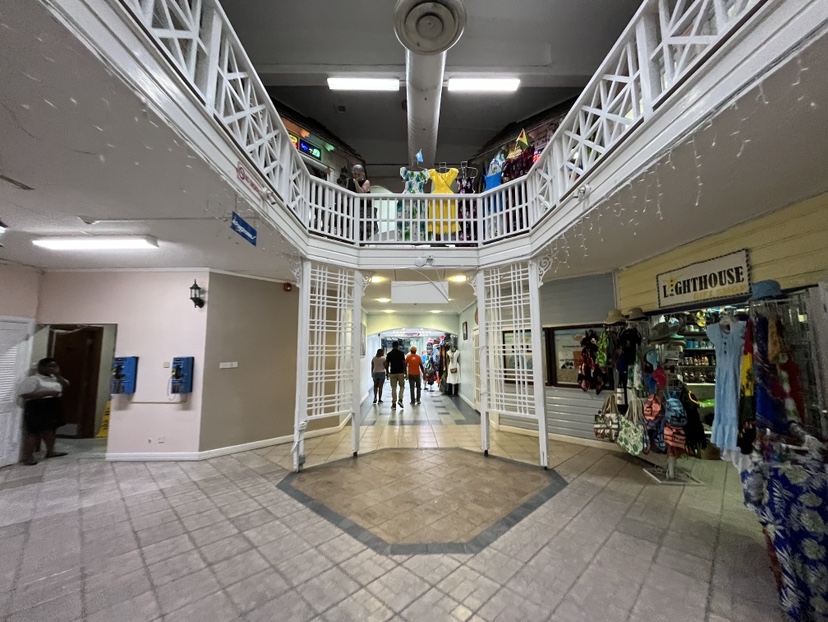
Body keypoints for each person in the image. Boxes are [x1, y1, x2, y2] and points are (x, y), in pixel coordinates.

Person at [17, 358, 69, 465]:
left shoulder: (54, 378)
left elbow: (66, 385)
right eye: (50, 366)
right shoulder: (33, 379)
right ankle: (27, 457)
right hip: (38, 406)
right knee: (34, 431)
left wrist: (58, 375)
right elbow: (24, 395)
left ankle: (51, 452)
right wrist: (45, 393)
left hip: (53, 404)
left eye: (55, 366)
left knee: (51, 429)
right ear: (41, 367)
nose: (53, 369)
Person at [347, 164, 374, 243]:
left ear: (362, 173)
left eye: (358, 174)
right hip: (352, 207)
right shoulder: (349, 181)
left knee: (362, 228)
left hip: (363, 208)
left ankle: (361, 241)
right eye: (355, 173)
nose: (356, 175)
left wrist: (357, 182)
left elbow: (361, 193)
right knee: (352, 225)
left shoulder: (366, 182)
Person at [385, 341, 406, 410]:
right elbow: (404, 363)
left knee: (393, 388)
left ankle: (394, 404)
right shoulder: (401, 353)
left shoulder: (389, 354)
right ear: (398, 346)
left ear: (392, 346)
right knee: (402, 386)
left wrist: (387, 372)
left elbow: (387, 364)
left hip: (393, 373)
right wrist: (405, 371)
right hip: (400, 372)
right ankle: (400, 400)